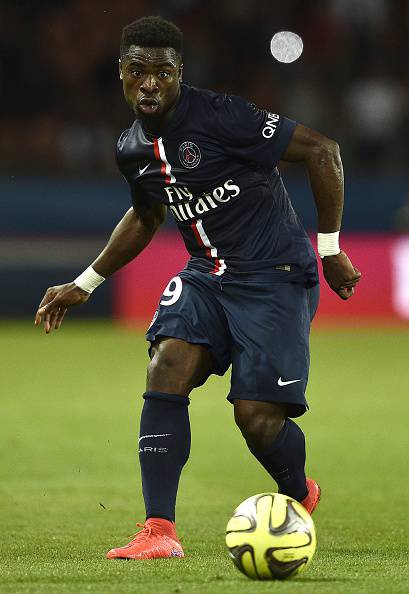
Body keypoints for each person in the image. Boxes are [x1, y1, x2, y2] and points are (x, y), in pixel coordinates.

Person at [35, 16, 361, 560]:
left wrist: (330, 250)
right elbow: (145, 216)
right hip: (207, 276)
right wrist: (85, 282)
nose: (149, 84)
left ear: (179, 74)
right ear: (121, 72)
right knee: (166, 365)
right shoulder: (132, 147)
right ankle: (158, 531)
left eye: (162, 73)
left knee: (256, 419)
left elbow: (323, 151)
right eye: (137, 71)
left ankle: (299, 492)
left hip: (274, 275)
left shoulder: (223, 116)